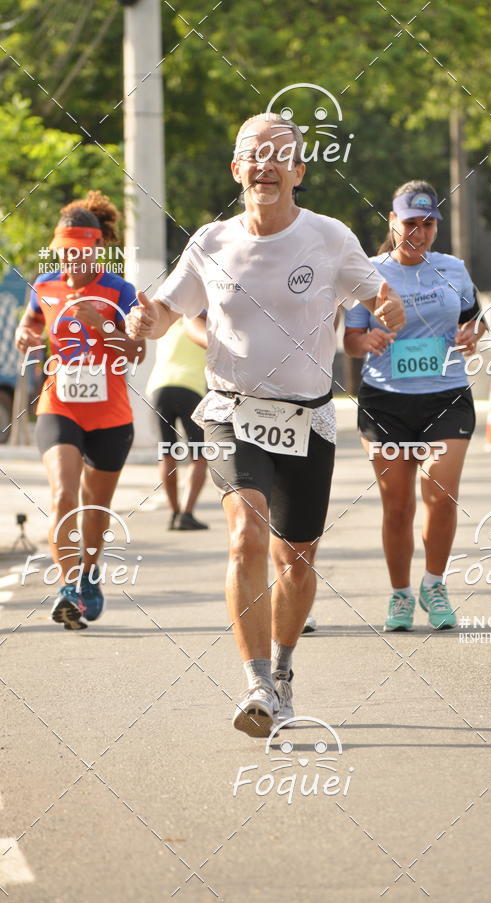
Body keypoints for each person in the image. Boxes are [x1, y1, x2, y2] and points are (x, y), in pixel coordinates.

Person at [125, 112, 405, 737]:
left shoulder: (329, 238)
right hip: (231, 412)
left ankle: (281, 671)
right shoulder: (212, 242)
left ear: (299, 172)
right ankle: (253, 682)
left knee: (296, 561)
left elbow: (380, 294)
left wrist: (389, 305)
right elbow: (167, 312)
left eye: (280, 155)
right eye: (253, 154)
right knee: (244, 534)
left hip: (307, 419)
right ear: (237, 169)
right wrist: (143, 322)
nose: (265, 164)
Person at [344, 180, 484, 632]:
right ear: (392, 221)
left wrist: (472, 336)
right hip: (385, 403)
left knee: (440, 497)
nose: (418, 233)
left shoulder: (454, 270)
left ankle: (435, 583)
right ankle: (401, 594)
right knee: (398, 505)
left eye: (427, 225)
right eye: (410, 223)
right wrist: (366, 339)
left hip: (446, 397)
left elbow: (474, 319)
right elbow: (348, 339)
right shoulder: (368, 272)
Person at [15, 191, 144, 630]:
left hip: (110, 414)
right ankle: (69, 588)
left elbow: (136, 349)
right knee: (62, 496)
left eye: (78, 252)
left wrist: (101, 324)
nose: (70, 260)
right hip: (59, 405)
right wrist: (25, 332)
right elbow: (33, 318)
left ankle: (89, 575)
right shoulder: (45, 284)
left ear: (95, 249)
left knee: (94, 509)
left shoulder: (118, 289)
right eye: (63, 252)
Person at [146, 315, 210, 530]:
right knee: (199, 456)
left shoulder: (167, 321)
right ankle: (186, 513)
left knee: (167, 453)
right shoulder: (204, 324)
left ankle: (173, 513)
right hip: (190, 388)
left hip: (159, 387)